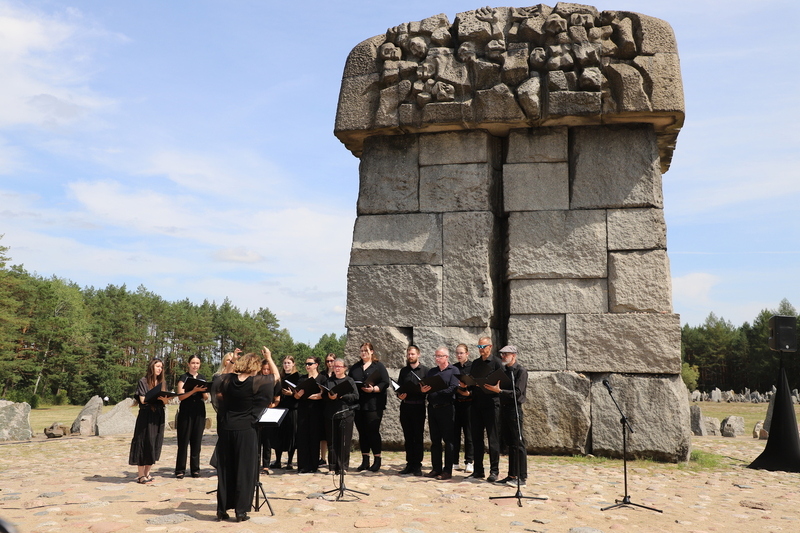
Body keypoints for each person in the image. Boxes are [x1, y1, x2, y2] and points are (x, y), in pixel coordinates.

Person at [215, 348, 279, 522]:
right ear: (255, 367)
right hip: (246, 430)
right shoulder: (256, 381)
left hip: (227, 428)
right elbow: (277, 378)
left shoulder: (229, 380)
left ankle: (221, 510)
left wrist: (233, 361)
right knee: (245, 470)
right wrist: (269, 358)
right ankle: (241, 511)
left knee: (226, 469)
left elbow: (222, 379)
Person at [486, 345, 528, 487]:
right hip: (503, 409)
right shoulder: (504, 371)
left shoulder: (520, 371)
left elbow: (518, 392)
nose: (503, 357)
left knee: (518, 442)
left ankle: (521, 477)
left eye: (506, 354)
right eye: (502, 354)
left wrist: (500, 391)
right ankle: (511, 475)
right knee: (510, 443)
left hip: (514, 409)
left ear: (514, 355)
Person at [349, 342, 390, 472]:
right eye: (361, 351)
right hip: (359, 404)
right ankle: (365, 460)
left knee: (373, 431)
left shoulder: (378, 366)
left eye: (366, 351)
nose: (363, 353)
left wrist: (374, 389)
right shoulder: (355, 367)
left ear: (372, 352)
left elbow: (385, 382)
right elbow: (349, 382)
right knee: (362, 432)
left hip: (374, 404)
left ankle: (377, 460)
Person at [421, 346, 460, 480]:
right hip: (433, 408)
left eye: (440, 356)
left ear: (446, 357)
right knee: (435, 440)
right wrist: (425, 389)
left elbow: (453, 389)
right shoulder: (432, 372)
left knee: (448, 440)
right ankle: (436, 468)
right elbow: (426, 386)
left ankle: (447, 470)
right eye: (436, 356)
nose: (437, 358)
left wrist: (436, 391)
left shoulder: (453, 370)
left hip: (446, 409)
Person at [128, 358, 170, 484]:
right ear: (152, 367)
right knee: (144, 443)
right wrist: (155, 397)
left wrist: (164, 398)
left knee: (155, 443)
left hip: (159, 415)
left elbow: (166, 401)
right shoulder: (143, 381)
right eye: (157, 366)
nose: (159, 369)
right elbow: (142, 400)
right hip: (146, 416)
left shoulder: (161, 382)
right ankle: (141, 475)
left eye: (161, 367)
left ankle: (147, 473)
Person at [468, 336, 503, 482]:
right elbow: (471, 379)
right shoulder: (475, 363)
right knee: (476, 438)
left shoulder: (497, 363)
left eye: (484, 347)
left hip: (491, 404)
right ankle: (478, 470)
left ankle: (494, 471)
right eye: (479, 347)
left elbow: (501, 382)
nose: (481, 350)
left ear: (490, 346)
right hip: (476, 403)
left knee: (493, 438)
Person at [174, 355, 209, 479]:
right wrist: (193, 391)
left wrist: (203, 391)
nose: (195, 365)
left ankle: (195, 469)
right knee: (183, 441)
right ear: (188, 364)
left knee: (197, 441)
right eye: (193, 363)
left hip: (199, 412)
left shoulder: (202, 378)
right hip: (186, 412)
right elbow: (180, 397)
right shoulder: (183, 377)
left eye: (197, 363)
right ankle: (180, 469)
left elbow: (205, 397)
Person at [396, 345, 428, 476]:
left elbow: (429, 388)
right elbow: (398, 387)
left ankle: (417, 465)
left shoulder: (426, 371)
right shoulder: (404, 371)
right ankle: (409, 463)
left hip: (419, 406)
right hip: (406, 406)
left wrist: (422, 391)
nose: (410, 356)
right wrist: (399, 395)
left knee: (417, 436)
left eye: (413, 354)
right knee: (408, 436)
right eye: (409, 354)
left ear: (418, 355)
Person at [324, 359, 359, 474]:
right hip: (331, 415)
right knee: (332, 442)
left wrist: (342, 396)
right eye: (335, 367)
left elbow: (355, 396)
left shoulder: (349, 381)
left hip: (346, 414)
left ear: (345, 368)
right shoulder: (328, 381)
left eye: (339, 366)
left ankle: (343, 466)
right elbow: (323, 396)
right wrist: (329, 397)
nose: (337, 368)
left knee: (344, 442)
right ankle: (332, 467)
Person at [294, 356, 326, 473]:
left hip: (316, 411)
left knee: (314, 438)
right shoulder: (302, 379)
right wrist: (299, 394)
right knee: (302, 438)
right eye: (306, 364)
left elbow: (325, 394)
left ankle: (313, 465)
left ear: (316, 365)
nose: (307, 366)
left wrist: (320, 395)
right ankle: (302, 466)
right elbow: (296, 396)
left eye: (310, 364)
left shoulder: (322, 378)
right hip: (303, 411)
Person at [272, 356, 299, 470]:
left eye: (288, 363)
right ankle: (277, 461)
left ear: (293, 364)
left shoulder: (298, 377)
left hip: (292, 409)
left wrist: (291, 393)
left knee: (291, 435)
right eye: (284, 363)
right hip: (280, 408)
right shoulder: (279, 377)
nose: (286, 365)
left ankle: (289, 462)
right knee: (278, 435)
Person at [453, 343, 474, 474]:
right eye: (457, 353)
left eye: (461, 353)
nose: (459, 355)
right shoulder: (453, 368)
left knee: (469, 434)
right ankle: (454, 461)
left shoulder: (473, 367)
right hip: (456, 403)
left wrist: (468, 391)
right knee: (455, 434)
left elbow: (476, 383)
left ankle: (469, 461)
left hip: (469, 404)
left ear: (467, 353)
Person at [258, 357, 280, 474]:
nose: (266, 371)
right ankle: (255, 464)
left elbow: (277, 399)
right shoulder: (257, 380)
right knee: (257, 440)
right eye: (264, 369)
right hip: (257, 412)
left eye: (268, 369)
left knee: (267, 440)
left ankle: (266, 465)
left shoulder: (275, 383)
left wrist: (272, 405)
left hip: (268, 412)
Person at [320, 353, 337, 467]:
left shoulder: (338, 373)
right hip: (322, 404)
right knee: (322, 434)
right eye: (327, 361)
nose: (330, 363)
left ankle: (334, 458)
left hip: (335, 406)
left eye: (331, 361)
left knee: (332, 435)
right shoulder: (322, 375)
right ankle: (322, 458)